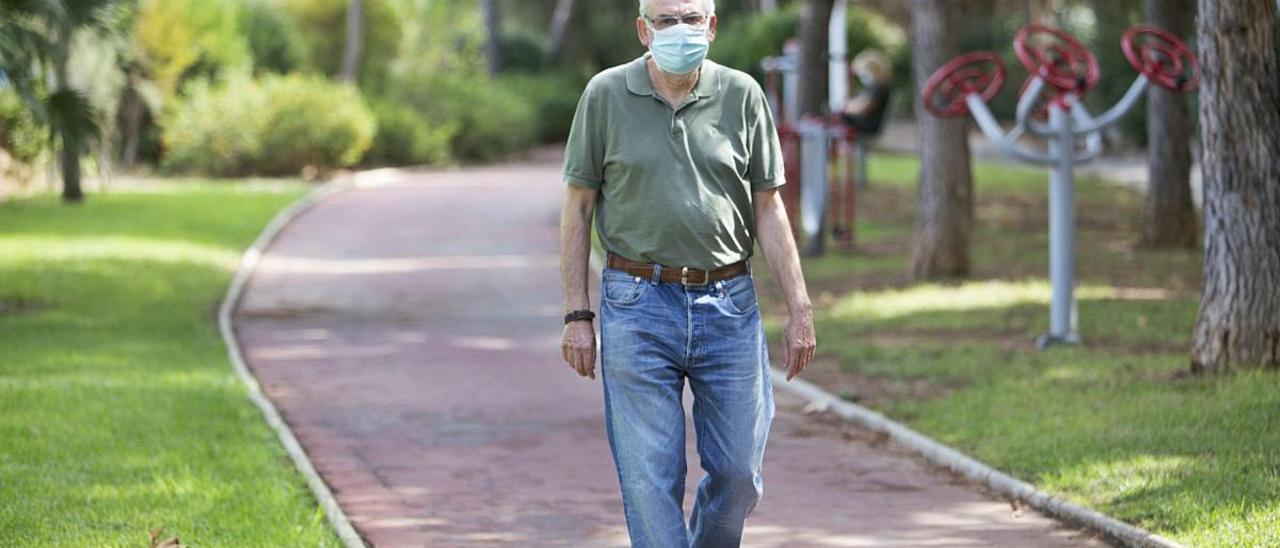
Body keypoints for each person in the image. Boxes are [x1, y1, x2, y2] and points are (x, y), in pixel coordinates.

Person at [557, 1, 816, 546]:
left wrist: (800, 308)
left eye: (692, 18)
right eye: (666, 19)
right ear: (643, 29)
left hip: (729, 303)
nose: (681, 30)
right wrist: (577, 315)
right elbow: (578, 206)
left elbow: (768, 207)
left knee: (739, 474)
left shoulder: (743, 95)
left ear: (712, 26)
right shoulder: (605, 94)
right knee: (650, 477)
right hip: (636, 302)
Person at [841, 48, 893, 188]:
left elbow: (861, 108)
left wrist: (848, 107)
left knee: (841, 117)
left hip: (867, 126)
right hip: (864, 123)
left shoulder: (879, 87)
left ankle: (859, 181)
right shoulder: (873, 87)